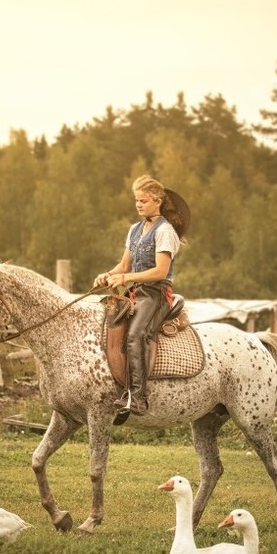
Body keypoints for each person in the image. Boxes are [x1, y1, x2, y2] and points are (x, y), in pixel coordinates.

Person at [93, 175, 190, 416]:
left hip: (157, 294)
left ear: (157, 201)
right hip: (137, 292)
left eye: (143, 201)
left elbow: (160, 271)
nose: (138, 205)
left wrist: (125, 279)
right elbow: (124, 265)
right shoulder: (134, 230)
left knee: (136, 334)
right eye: (136, 200)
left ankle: (138, 397)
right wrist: (107, 275)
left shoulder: (165, 231)